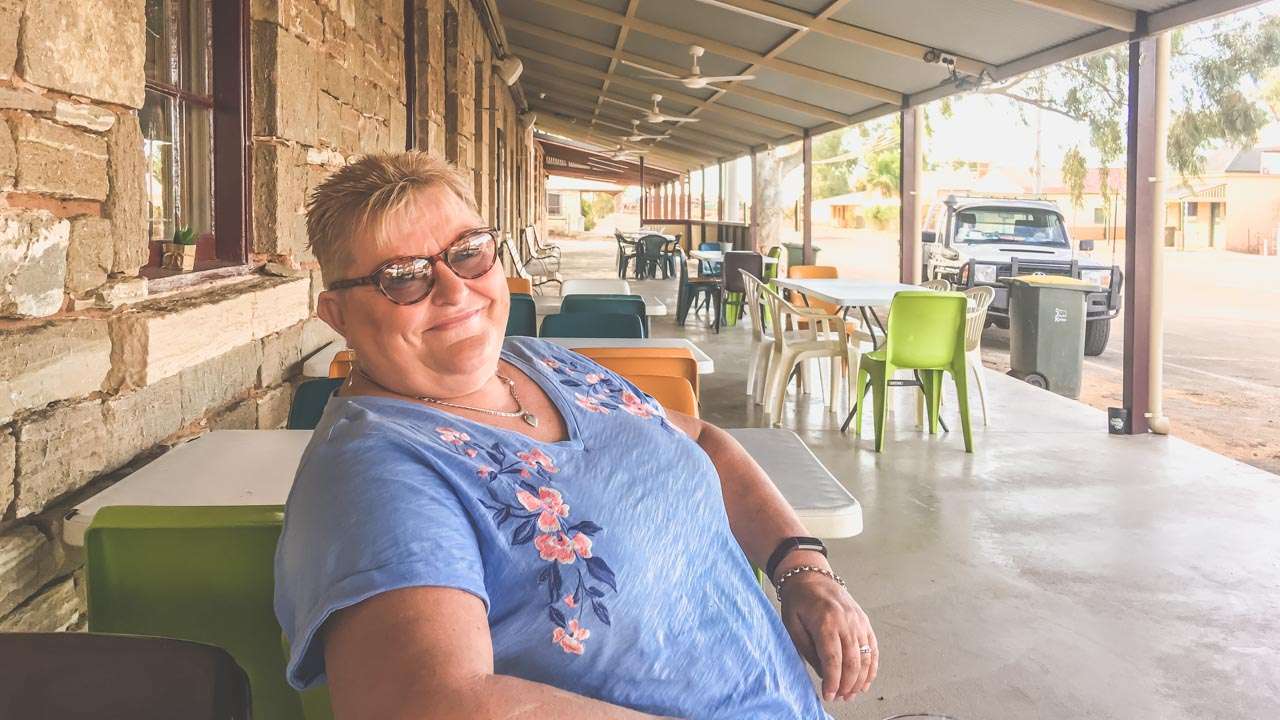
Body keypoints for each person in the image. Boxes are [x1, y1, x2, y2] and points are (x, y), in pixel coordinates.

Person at [274, 152, 878, 719]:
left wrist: (801, 567)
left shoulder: (543, 362)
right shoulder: (373, 471)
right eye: (401, 277)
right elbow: (432, 702)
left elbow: (703, 443)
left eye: (469, 254)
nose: (455, 290)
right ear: (337, 315)